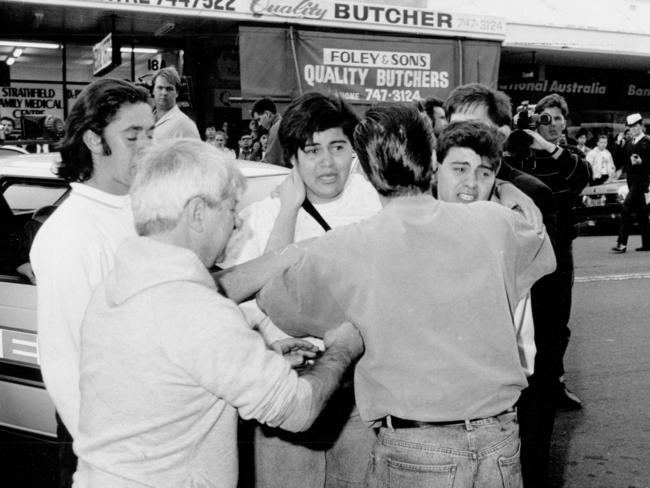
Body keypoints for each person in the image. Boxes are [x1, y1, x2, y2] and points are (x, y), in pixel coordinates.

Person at [257, 103, 556, 488]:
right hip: (499, 441)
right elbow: (537, 241)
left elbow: (273, 295)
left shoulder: (347, 247)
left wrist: (286, 211)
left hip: (416, 450)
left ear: (362, 168)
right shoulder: (494, 223)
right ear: (432, 159)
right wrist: (504, 186)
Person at [73, 138, 364, 488]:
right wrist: (343, 348)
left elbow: (196, 323)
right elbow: (298, 410)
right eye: (230, 211)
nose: (237, 225)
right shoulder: (197, 312)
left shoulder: (119, 283)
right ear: (197, 212)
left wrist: (288, 258)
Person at [221, 92, 381, 488]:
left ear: (353, 151)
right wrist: (288, 209)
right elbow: (239, 300)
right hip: (287, 390)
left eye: (337, 147)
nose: (327, 162)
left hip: (361, 394)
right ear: (292, 157)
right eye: (312, 150)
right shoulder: (261, 214)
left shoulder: (379, 204)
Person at [29, 78, 155, 487]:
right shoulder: (71, 232)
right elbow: (64, 359)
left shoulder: (142, 211)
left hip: (150, 422)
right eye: (133, 136)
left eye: (151, 133)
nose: (147, 146)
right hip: (106, 442)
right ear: (94, 141)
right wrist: (106, 457)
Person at [443, 83, 561, 488]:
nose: (462, 137)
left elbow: (552, 295)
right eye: (453, 126)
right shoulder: (432, 188)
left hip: (519, 375)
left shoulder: (531, 195)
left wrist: (545, 372)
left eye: (475, 126)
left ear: (503, 134)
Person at [504, 93, 591, 412]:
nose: (552, 124)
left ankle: (554, 382)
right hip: (521, 247)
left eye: (557, 119)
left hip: (558, 245)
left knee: (557, 319)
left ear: (566, 123)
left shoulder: (568, 154)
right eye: (545, 118)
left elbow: (582, 176)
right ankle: (523, 385)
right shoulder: (517, 151)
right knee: (524, 317)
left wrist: (549, 148)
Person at [612, 112, 650, 253]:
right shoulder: (628, 143)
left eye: (635, 126)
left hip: (641, 180)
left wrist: (642, 162)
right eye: (630, 127)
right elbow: (618, 161)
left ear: (641, 126)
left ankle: (622, 243)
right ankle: (647, 242)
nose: (633, 129)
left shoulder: (647, 142)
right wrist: (618, 144)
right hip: (630, 179)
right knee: (642, 213)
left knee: (626, 208)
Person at [151, 66, 200, 141]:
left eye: (169, 89)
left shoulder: (185, 125)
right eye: (160, 88)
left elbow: (197, 152)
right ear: (153, 90)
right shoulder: (146, 120)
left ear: (177, 93)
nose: (164, 93)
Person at [252, 97, 286, 167]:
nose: (259, 124)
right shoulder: (282, 124)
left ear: (267, 114)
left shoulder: (276, 128)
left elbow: (270, 161)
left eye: (259, 119)